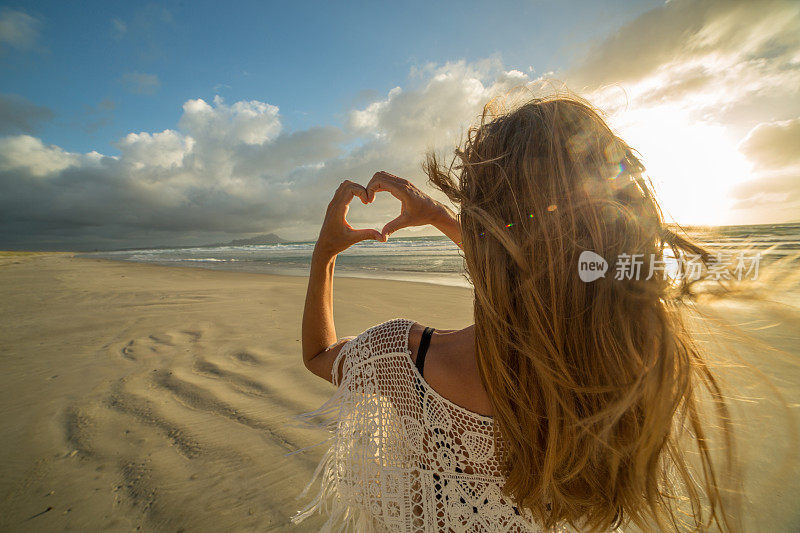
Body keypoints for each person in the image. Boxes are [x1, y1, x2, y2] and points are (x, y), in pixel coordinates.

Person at [296, 94, 736, 532]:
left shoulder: (408, 359)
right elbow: (548, 275)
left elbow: (320, 354)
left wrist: (326, 254)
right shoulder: (634, 361)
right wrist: (446, 219)